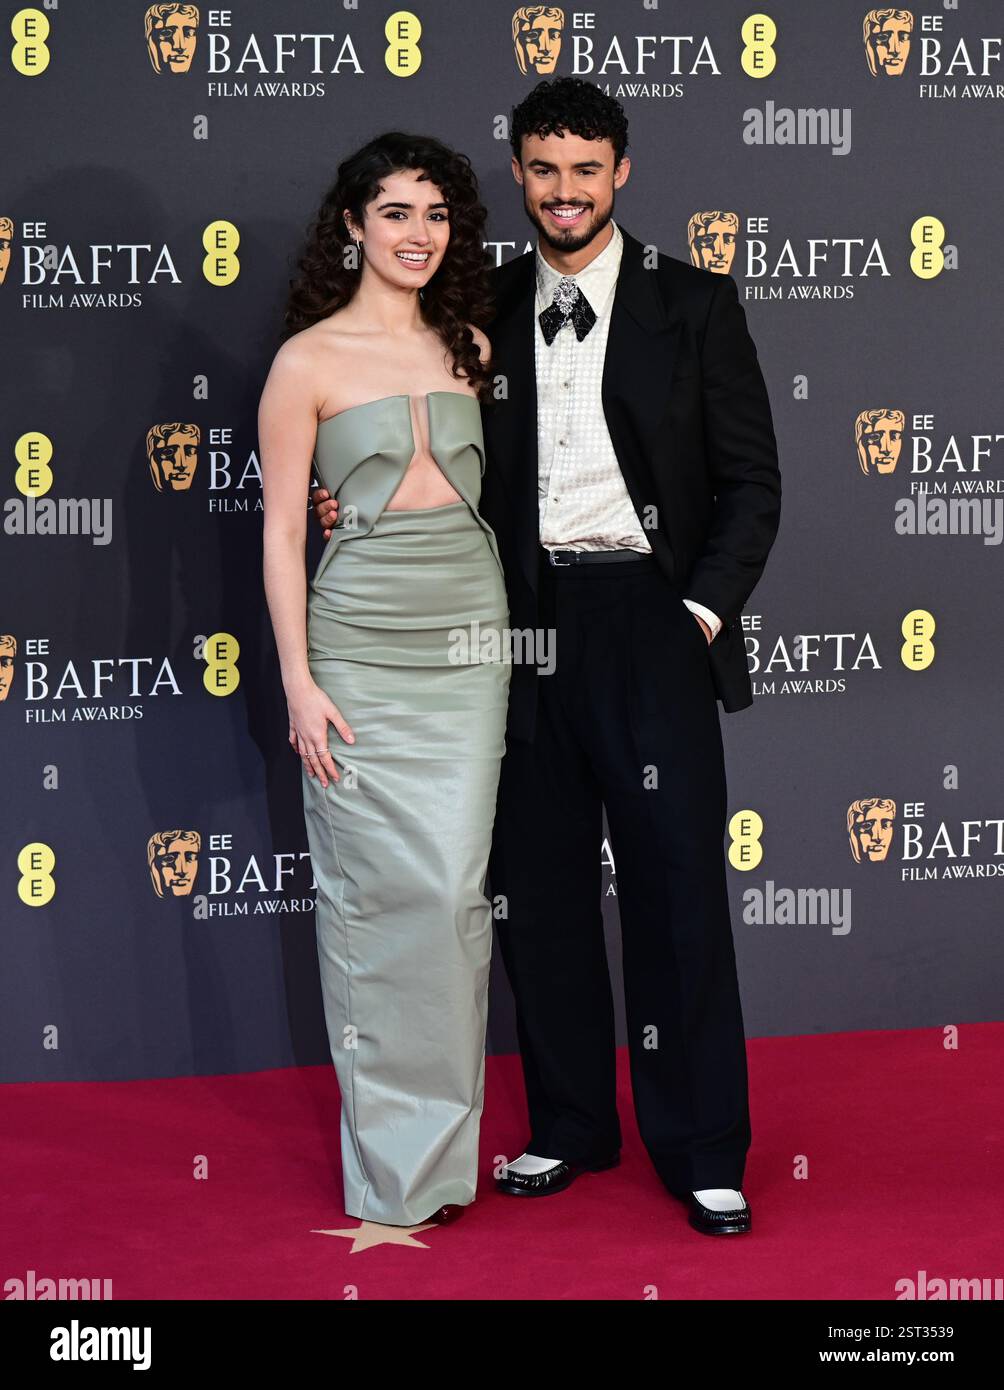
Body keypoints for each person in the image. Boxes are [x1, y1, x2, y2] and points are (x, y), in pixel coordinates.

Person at [313, 79, 782, 1237]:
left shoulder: (695, 303)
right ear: (516, 176)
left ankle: (702, 1144)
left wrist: (699, 617)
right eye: (541, 169)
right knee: (539, 894)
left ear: (619, 172)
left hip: (652, 622)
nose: (563, 191)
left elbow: (751, 485)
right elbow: (411, 439)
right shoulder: (474, 309)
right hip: (513, 630)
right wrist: (346, 507)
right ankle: (570, 1122)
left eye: (585, 169)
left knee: (675, 888)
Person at [260, 132, 510, 1228]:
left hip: (466, 642)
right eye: (396, 212)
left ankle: (444, 1159)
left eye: (437, 214)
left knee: (451, 896)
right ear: (352, 224)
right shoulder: (304, 363)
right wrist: (298, 683)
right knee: (371, 900)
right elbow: (277, 535)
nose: (417, 234)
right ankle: (392, 1177)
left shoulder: (471, 348)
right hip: (356, 643)